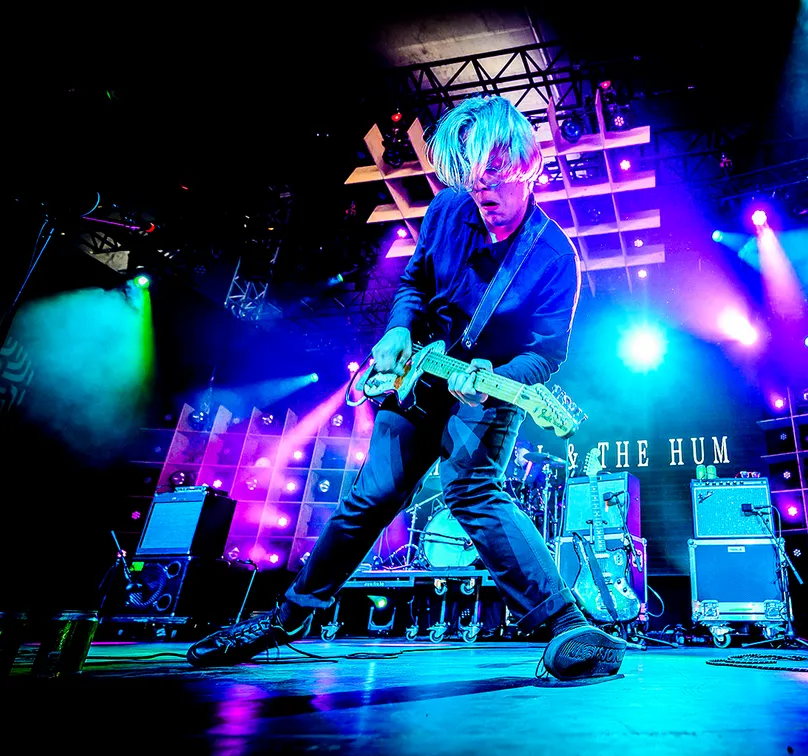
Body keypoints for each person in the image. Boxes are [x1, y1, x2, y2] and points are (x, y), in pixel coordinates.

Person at [187, 94, 627, 680]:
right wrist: (398, 331)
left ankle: (568, 626)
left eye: (494, 174)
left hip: (490, 385)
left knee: (471, 487)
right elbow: (416, 282)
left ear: (528, 165)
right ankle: (284, 619)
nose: (482, 190)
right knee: (371, 497)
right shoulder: (447, 208)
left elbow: (545, 355)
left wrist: (494, 384)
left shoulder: (553, 257)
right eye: (469, 177)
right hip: (418, 374)